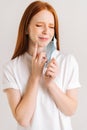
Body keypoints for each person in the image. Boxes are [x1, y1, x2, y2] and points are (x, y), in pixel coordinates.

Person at [2, 1, 81, 130]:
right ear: (26, 28)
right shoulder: (11, 68)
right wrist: (34, 77)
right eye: (39, 25)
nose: (46, 32)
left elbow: (70, 110)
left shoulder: (68, 62)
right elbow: (23, 119)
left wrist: (50, 84)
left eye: (51, 27)